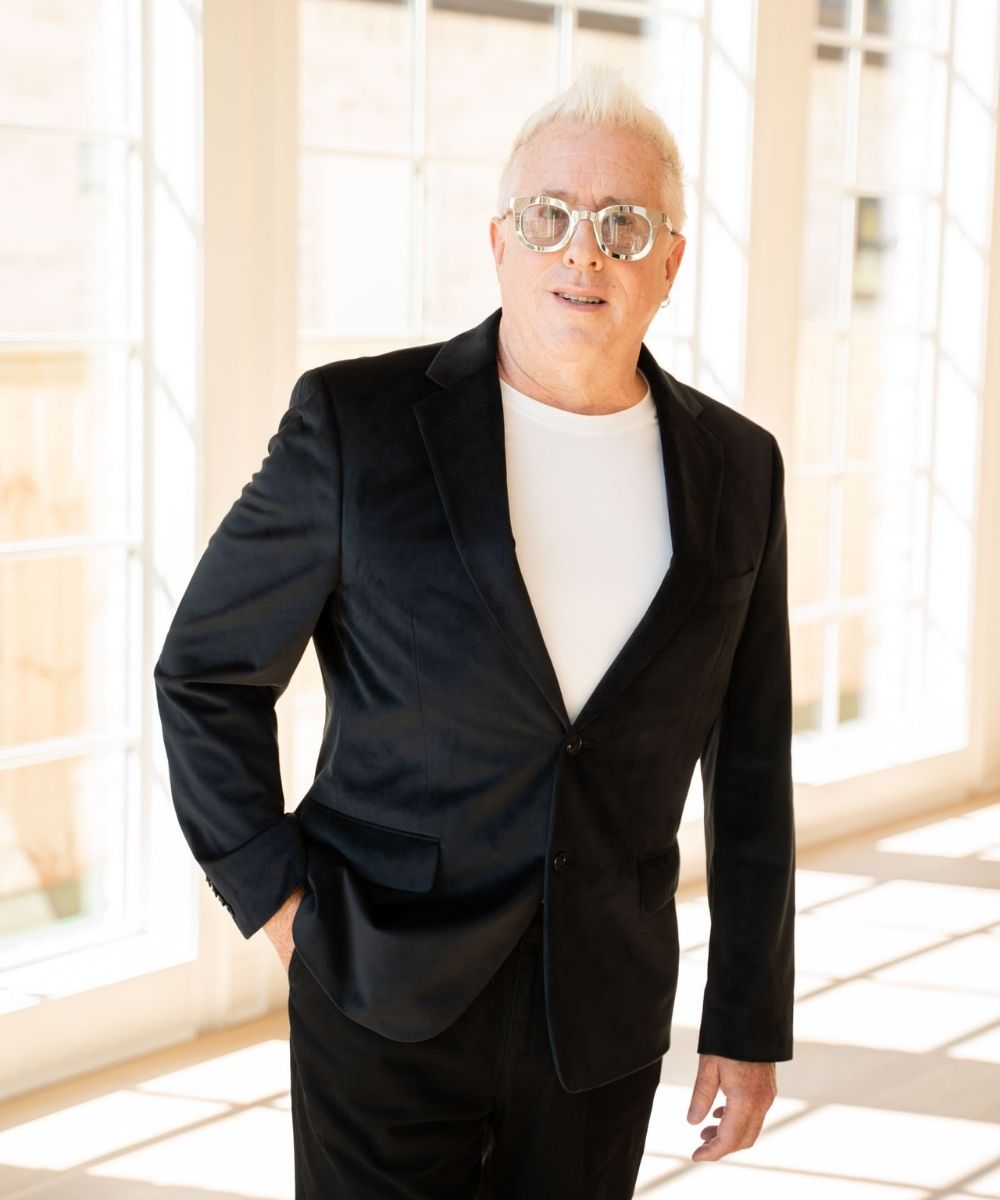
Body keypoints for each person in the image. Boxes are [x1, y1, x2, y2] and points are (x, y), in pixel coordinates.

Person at [153, 63, 795, 1200]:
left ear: (669, 264)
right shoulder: (356, 426)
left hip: (599, 1015)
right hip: (379, 990)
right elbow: (207, 671)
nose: (581, 251)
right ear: (499, 244)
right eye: (550, 216)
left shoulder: (737, 471)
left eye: (622, 223)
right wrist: (281, 908)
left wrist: (746, 1019)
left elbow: (747, 765)